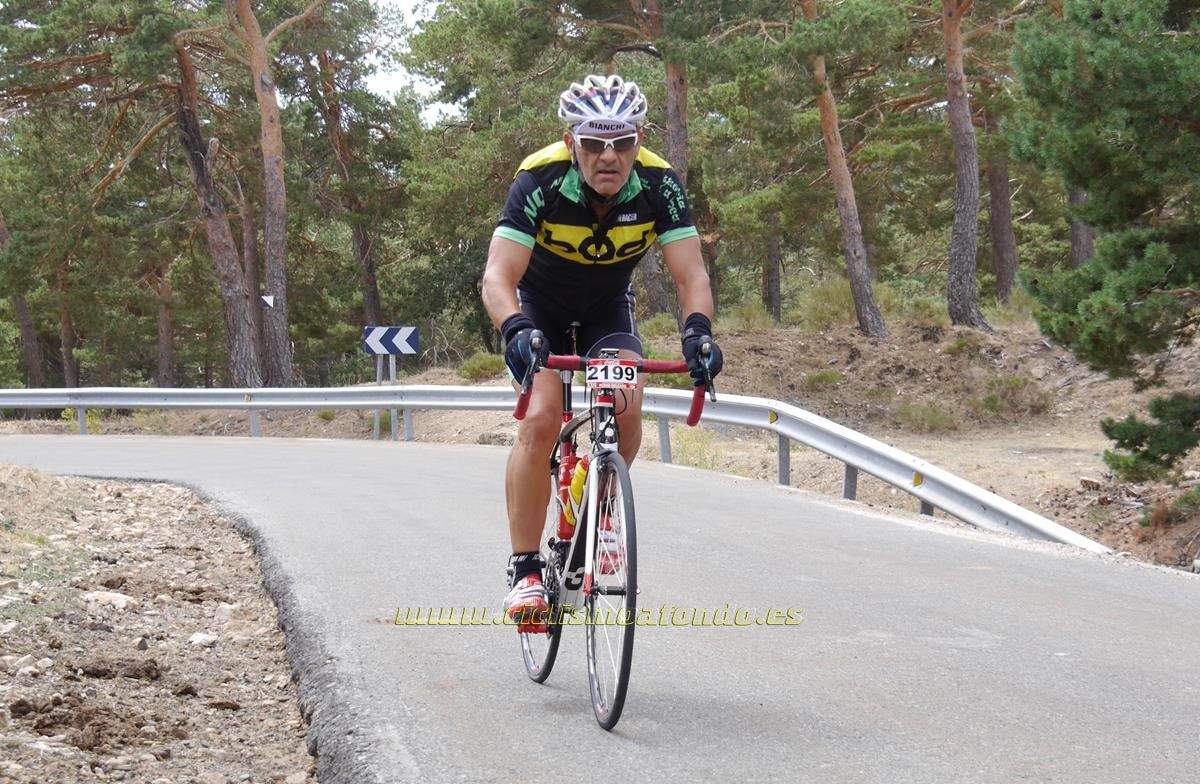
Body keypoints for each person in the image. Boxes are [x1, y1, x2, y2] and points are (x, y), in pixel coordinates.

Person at [480, 74, 724, 625]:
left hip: (606, 309)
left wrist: (699, 332)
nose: (608, 156)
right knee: (542, 419)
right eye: (593, 143)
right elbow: (497, 276)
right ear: (572, 143)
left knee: (624, 400)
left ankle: (598, 518)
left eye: (622, 142)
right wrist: (515, 328)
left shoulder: (660, 184)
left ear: (640, 140)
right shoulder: (537, 178)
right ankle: (524, 568)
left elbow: (692, 276)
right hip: (537, 306)